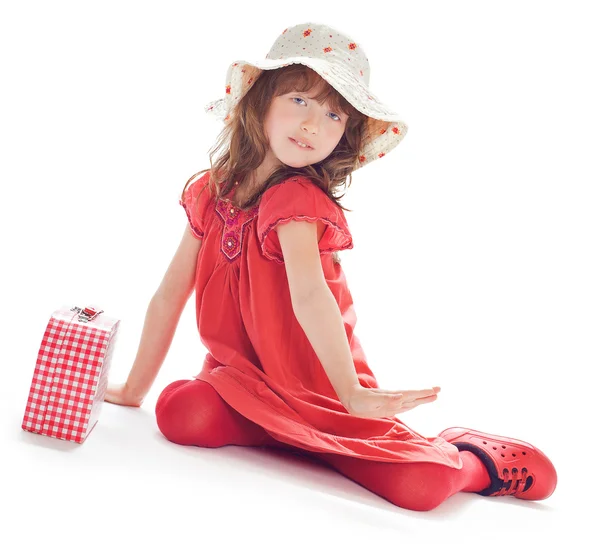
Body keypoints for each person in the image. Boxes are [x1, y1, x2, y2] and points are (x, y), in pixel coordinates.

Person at [104, 22, 557, 512]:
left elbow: (310, 295)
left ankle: (472, 457)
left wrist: (350, 393)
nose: (313, 125)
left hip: (325, 391)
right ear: (260, 101)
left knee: (423, 489)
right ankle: (284, 436)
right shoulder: (210, 192)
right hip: (247, 383)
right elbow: (172, 291)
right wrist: (133, 389)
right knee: (178, 412)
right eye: (300, 99)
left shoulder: (295, 199)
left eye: (334, 114)